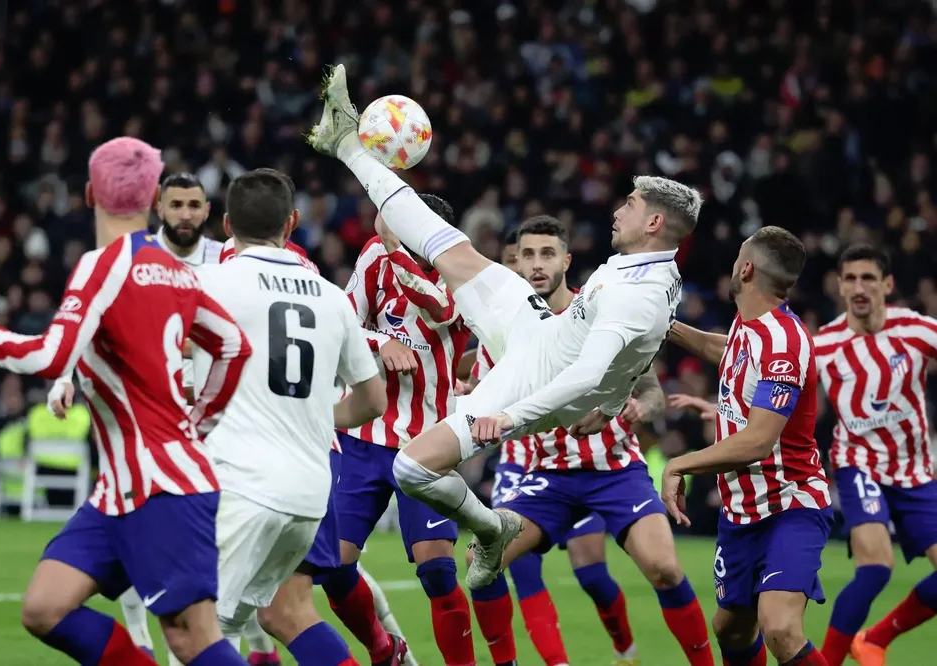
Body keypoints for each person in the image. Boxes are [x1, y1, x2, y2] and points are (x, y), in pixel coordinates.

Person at [307, 64, 697, 589]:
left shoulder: (638, 293)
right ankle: (347, 143)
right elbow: (640, 352)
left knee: (412, 468)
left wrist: (512, 416)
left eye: (629, 205)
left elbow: (586, 373)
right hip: (537, 329)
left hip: (538, 379)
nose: (617, 210)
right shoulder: (649, 271)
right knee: (447, 244)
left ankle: (491, 531)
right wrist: (607, 407)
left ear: (654, 223)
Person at [0, 137, 253, 666]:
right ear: (154, 197)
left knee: (192, 639)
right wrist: (199, 423)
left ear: (90, 194)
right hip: (120, 490)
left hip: (163, 487)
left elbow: (50, 356)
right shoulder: (176, 270)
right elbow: (231, 346)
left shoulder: (102, 265)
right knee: (45, 607)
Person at [467, 216, 712, 666]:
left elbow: (652, 391)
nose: (538, 265)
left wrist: (642, 408)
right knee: (481, 563)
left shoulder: (603, 309)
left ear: (566, 259)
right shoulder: (503, 330)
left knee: (663, 568)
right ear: (514, 262)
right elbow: (480, 386)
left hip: (616, 469)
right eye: (528, 255)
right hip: (547, 478)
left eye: (547, 254)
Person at [191, 168, 387, 666]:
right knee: (281, 613)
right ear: (293, 221)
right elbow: (372, 401)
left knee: (196, 627)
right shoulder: (329, 296)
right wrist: (323, 416)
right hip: (310, 492)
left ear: (226, 224)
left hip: (243, 484)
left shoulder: (209, 283)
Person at [663, 226, 833, 666]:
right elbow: (728, 351)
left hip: (789, 503)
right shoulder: (748, 326)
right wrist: (666, 327)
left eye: (739, 254)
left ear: (747, 267)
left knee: (778, 625)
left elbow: (759, 440)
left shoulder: (786, 342)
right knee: (731, 627)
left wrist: (680, 464)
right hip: (742, 511)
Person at [320, 197, 477, 666]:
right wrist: (379, 340)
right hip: (364, 438)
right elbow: (343, 321)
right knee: (335, 565)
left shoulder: (464, 270)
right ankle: (384, 648)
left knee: (436, 571)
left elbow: (444, 311)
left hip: (427, 442)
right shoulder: (374, 256)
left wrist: (396, 247)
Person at [810, 245, 937, 666]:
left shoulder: (916, 330)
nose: (859, 287)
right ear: (840, 287)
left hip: (917, 471)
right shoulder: (824, 344)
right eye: (850, 279)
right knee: (876, 567)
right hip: (858, 464)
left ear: (887, 285)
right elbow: (768, 370)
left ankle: (875, 640)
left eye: (868, 278)